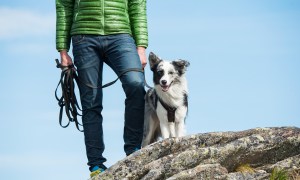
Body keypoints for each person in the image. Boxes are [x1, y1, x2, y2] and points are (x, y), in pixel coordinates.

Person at [55, 0, 148, 177]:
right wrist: (63, 49)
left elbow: (137, 4)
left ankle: (134, 151)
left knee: (135, 84)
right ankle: (96, 166)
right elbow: (64, 5)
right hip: (84, 36)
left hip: (121, 34)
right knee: (91, 102)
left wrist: (141, 47)